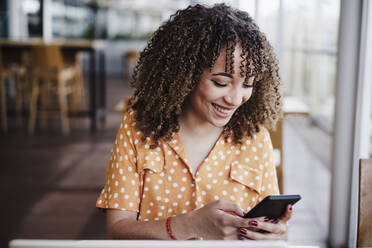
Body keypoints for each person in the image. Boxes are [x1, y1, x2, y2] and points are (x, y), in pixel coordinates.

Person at [96, 3, 292, 240]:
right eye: (221, 82)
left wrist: (274, 234)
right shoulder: (137, 129)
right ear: (184, 75)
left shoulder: (254, 136)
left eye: (248, 83)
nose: (235, 98)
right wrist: (189, 226)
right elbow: (115, 231)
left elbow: (267, 229)